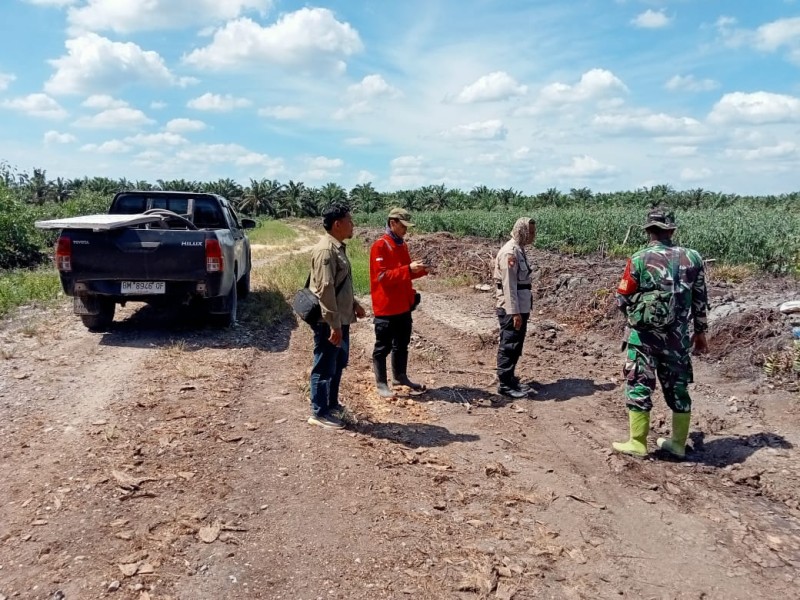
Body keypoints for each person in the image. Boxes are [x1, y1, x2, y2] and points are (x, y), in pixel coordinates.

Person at [612, 207, 709, 458]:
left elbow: (622, 297)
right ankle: (678, 444)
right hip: (678, 339)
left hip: (643, 338)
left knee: (639, 385)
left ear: (648, 231)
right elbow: (700, 299)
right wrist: (700, 333)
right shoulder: (693, 259)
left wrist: (637, 316)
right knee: (678, 388)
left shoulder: (639, 259)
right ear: (672, 230)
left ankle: (638, 442)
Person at [307, 204, 366, 429]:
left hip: (341, 318)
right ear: (337, 224)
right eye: (350, 221)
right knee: (323, 365)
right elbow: (325, 289)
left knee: (337, 363)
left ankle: (331, 404)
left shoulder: (338, 247)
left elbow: (341, 285)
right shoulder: (326, 250)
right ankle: (319, 412)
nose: (353, 225)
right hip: (329, 321)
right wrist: (334, 325)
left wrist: (354, 305)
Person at [369, 207, 429, 397]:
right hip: (386, 307)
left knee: (402, 343)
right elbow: (382, 277)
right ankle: (381, 383)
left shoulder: (402, 245)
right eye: (403, 226)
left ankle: (400, 377)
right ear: (392, 223)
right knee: (383, 347)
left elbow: (405, 274)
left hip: (403, 305)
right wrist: (408, 270)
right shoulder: (380, 246)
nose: (406, 230)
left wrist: (421, 270)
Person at [494, 217, 537, 398]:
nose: (533, 236)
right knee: (509, 344)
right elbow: (509, 285)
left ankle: (510, 378)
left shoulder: (519, 250)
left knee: (516, 343)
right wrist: (515, 312)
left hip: (521, 304)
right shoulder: (509, 253)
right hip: (512, 307)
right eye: (531, 232)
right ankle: (504, 384)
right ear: (522, 231)